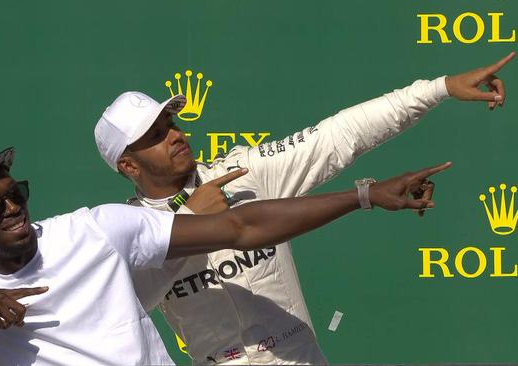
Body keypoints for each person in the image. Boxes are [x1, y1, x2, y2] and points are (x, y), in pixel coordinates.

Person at [93, 52, 514, 365]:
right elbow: (127, 309)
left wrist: (438, 88)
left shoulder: (245, 173)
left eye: (171, 123)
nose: (175, 135)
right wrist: (187, 222)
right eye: (155, 134)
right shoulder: (130, 230)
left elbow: (340, 135)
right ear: (128, 165)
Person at [0, 145, 449, 366]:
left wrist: (367, 195)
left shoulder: (96, 230)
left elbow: (241, 226)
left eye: (14, 195)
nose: (12, 210)